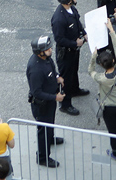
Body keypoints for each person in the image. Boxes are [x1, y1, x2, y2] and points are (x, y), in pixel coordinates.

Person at [89, 20, 116, 160]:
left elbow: (91, 71)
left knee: (112, 130)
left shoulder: (101, 78)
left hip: (108, 107)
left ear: (102, 65)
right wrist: (111, 31)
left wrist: (93, 56)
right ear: (113, 61)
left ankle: (115, 153)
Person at [25, 36, 65, 168]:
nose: (50, 49)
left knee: (50, 124)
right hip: (42, 105)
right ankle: (42, 157)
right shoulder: (35, 69)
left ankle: (50, 139)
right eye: (47, 48)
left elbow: (52, 68)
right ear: (40, 52)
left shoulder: (46, 58)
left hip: (49, 101)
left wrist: (57, 77)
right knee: (43, 131)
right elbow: (37, 92)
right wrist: (55, 98)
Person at [50, 0, 89, 117]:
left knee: (74, 71)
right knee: (66, 77)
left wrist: (83, 33)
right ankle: (65, 105)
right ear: (68, 1)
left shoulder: (72, 10)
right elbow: (59, 39)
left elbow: (78, 23)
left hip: (74, 50)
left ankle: (75, 89)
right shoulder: (59, 18)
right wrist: (74, 43)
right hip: (65, 53)